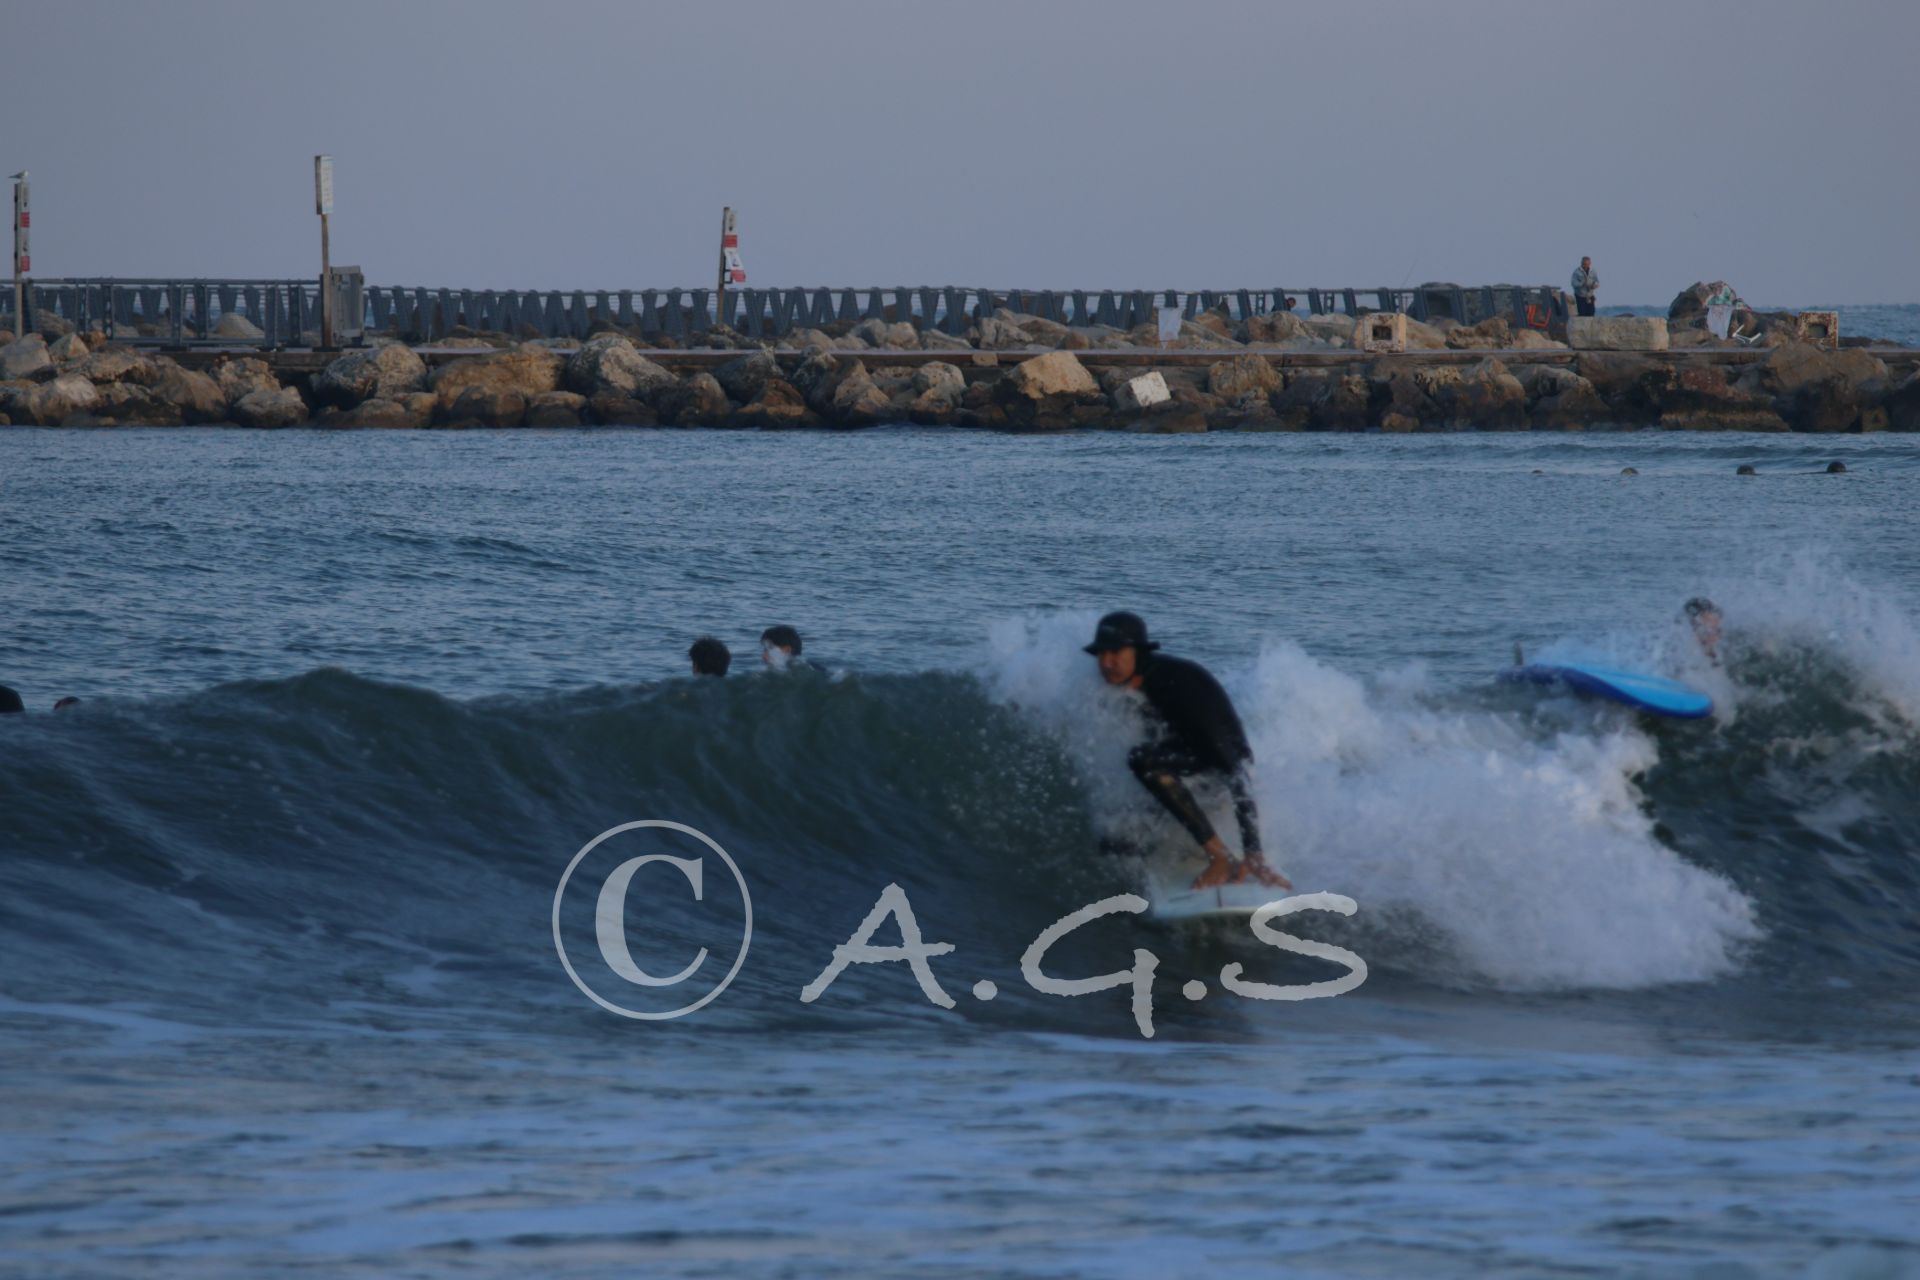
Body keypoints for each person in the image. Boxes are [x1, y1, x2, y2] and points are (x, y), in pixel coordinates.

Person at [1084, 611, 1289, 890]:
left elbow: (1235, 770)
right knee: (1117, 841)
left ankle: (1220, 857)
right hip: (1189, 760)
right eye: (1101, 654)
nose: (1107, 663)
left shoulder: (1179, 686)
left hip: (1219, 768)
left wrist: (1253, 853)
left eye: (1116, 652)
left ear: (1138, 652)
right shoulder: (1139, 683)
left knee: (1142, 761)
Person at [1683, 597, 1722, 665]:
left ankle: (1711, 655)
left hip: (1699, 605)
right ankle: (1711, 655)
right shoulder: (1709, 618)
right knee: (1702, 634)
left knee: (1706, 635)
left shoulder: (1714, 619)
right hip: (1694, 606)